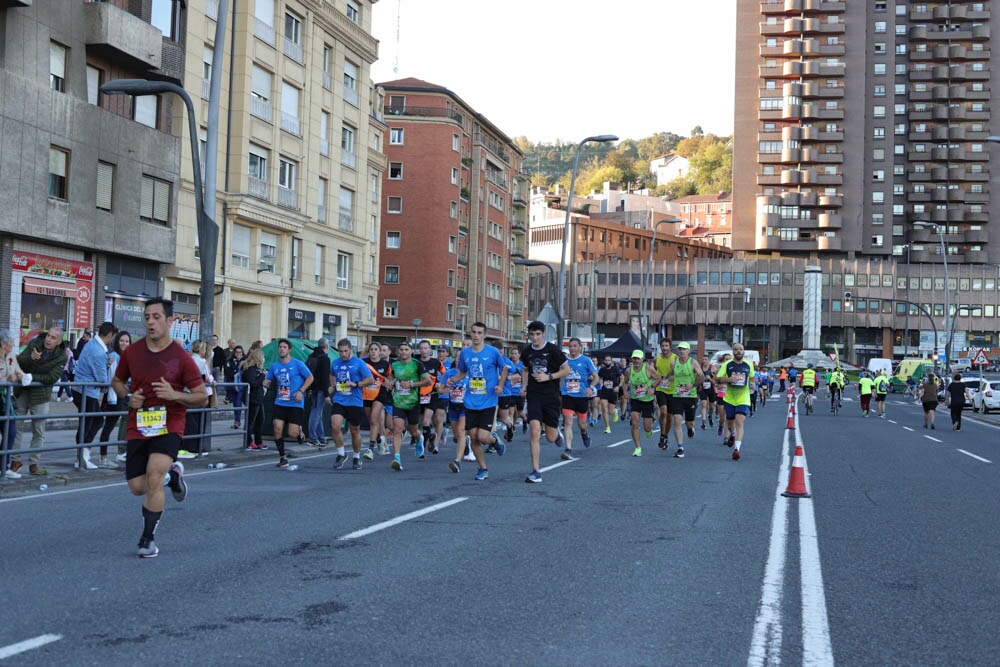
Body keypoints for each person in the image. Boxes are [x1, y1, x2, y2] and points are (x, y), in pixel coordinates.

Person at [111, 297, 207, 558]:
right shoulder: (132, 352)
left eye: (156, 317)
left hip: (170, 423)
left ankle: (147, 540)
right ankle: (173, 475)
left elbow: (201, 396)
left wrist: (174, 395)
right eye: (147, 317)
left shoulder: (181, 357)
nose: (150, 322)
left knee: (153, 477)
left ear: (169, 321)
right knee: (137, 487)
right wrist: (128, 397)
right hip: (139, 424)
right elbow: (117, 381)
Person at [446, 322, 508, 480]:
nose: (476, 335)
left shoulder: (492, 352)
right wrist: (453, 379)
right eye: (473, 332)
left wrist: (500, 386)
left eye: (479, 333)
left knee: (482, 437)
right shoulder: (466, 353)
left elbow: (505, 368)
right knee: (473, 436)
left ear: (484, 335)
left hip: (488, 401)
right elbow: (462, 372)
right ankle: (483, 468)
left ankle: (494, 440)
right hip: (470, 401)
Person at [9, 327, 67, 476]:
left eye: (53, 338)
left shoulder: (61, 356)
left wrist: (30, 378)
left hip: (41, 396)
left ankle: (34, 463)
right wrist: (31, 358)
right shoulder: (35, 343)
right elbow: (20, 362)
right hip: (23, 392)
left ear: (59, 341)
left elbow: (52, 378)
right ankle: (15, 461)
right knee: (16, 427)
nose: (48, 339)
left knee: (39, 430)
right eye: (48, 335)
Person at [520, 320, 570, 483]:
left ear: (543, 334)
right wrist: (524, 386)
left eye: (538, 334)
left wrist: (548, 376)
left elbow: (566, 370)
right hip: (534, 395)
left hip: (551, 396)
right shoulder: (527, 351)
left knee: (550, 437)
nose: (535, 338)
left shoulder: (553, 350)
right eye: (532, 335)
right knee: (534, 431)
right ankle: (536, 471)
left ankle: (556, 433)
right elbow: (526, 369)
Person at [72, 321, 119, 470]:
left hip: (82, 389)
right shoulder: (99, 351)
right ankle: (82, 456)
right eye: (113, 338)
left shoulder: (93, 345)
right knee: (90, 422)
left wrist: (106, 363)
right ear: (110, 335)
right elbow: (102, 379)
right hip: (87, 391)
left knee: (95, 420)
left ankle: (83, 454)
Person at [264, 339, 313, 468]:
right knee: (277, 427)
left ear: (289, 350)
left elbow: (310, 377)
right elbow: (268, 380)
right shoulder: (275, 366)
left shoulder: (298, 364)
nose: (281, 349)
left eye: (284, 347)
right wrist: (265, 382)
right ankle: (283, 457)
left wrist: (301, 391)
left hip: (295, 403)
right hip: (280, 401)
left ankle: (299, 432)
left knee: (292, 433)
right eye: (280, 347)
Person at [329, 338, 374, 470]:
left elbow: (370, 380)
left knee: (355, 431)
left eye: (345, 351)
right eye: (341, 351)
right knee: (335, 426)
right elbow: (332, 375)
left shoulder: (358, 363)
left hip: (354, 401)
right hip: (339, 399)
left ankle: (356, 456)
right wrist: (332, 386)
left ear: (350, 350)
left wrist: (356, 384)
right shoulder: (335, 363)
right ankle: (341, 454)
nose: (343, 354)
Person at [389, 341, 431, 471]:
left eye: (406, 349)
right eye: (401, 349)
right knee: (397, 429)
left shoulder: (417, 364)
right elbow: (390, 377)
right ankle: (397, 458)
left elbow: (428, 381)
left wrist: (411, 384)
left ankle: (419, 438)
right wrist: (389, 382)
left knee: (413, 430)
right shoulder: (394, 365)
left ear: (411, 351)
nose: (403, 352)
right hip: (398, 402)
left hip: (413, 402)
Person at [663, 341, 705, 458]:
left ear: (688, 351)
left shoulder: (693, 362)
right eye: (680, 349)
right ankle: (680, 448)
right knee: (677, 420)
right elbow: (671, 375)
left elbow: (702, 377)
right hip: (677, 396)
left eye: (684, 349)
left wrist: (693, 384)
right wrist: (667, 379)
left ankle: (690, 429)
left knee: (689, 422)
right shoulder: (673, 363)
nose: (681, 351)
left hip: (690, 396)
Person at [558, 337, 598, 459]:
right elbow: (560, 377)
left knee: (582, 424)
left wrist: (590, 387)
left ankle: (584, 433)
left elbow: (596, 377)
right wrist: (558, 390)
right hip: (567, 395)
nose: (572, 349)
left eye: (575, 346)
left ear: (580, 347)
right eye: (570, 346)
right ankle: (568, 449)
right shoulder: (564, 361)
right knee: (568, 421)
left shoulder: (586, 360)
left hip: (581, 396)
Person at [98, 331, 131, 467]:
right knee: (107, 425)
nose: (124, 343)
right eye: (122, 341)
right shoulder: (114, 356)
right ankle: (104, 457)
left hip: (123, 395)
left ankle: (116, 452)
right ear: (117, 342)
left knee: (121, 421)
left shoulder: (127, 357)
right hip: (112, 396)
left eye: (127, 341)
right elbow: (108, 376)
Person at [717, 343, 754, 460]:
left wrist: (752, 384)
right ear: (733, 352)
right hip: (729, 398)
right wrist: (728, 379)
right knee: (730, 424)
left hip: (743, 398)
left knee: (739, 421)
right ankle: (732, 434)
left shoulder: (748, 365)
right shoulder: (727, 365)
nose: (738, 351)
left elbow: (752, 377)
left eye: (741, 349)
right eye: (736, 349)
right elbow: (716, 379)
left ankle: (736, 449)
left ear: (744, 352)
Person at [624, 349, 660, 458]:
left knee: (647, 427)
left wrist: (652, 387)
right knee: (634, 423)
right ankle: (637, 448)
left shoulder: (648, 369)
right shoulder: (629, 371)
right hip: (635, 399)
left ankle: (649, 430)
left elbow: (658, 378)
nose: (635, 360)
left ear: (642, 359)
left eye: (638, 358)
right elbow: (624, 383)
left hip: (647, 400)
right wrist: (625, 392)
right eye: (634, 358)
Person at [362, 342, 392, 458]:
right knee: (372, 421)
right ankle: (379, 438)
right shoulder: (364, 363)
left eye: (376, 349)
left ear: (380, 352)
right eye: (371, 349)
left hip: (380, 394)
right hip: (366, 394)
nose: (373, 351)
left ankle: (370, 449)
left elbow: (389, 376)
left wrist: (388, 382)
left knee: (375, 418)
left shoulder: (385, 364)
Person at [1, 330, 24, 478]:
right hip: (1, 395)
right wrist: (7, 380)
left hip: (6, 400)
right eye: (10, 343)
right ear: (3, 344)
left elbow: (18, 372)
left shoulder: (10, 356)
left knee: (11, 432)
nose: (13, 345)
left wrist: (20, 375)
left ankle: (4, 466)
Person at [417, 340, 446, 454]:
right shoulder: (416, 362)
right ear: (419, 350)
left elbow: (444, 373)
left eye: (426, 348)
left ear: (430, 350)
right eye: (422, 348)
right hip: (419, 394)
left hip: (432, 394)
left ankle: (423, 447)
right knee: (420, 422)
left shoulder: (436, 362)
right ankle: (430, 438)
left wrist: (440, 383)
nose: (424, 350)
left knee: (426, 420)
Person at [438, 361, 469, 471]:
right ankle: (465, 444)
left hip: (466, 406)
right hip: (453, 405)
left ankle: (457, 461)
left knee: (461, 432)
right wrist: (444, 390)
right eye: (458, 357)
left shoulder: (469, 372)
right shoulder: (449, 373)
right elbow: (440, 389)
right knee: (456, 435)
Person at [305, 338, 332, 447]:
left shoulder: (311, 356)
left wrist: (307, 388)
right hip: (321, 389)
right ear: (327, 346)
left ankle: (321, 437)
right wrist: (327, 394)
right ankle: (313, 438)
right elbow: (325, 378)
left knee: (318, 412)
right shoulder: (325, 358)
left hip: (312, 387)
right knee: (316, 413)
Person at [241, 348, 266, 450]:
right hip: (253, 398)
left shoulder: (256, 369)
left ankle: (258, 440)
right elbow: (253, 383)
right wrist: (262, 376)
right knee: (251, 421)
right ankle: (248, 441)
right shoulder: (250, 369)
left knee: (260, 420)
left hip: (258, 398)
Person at [498, 346, 525, 441]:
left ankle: (512, 426)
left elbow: (519, 375)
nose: (499, 355)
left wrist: (506, 378)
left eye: (501, 352)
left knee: (506, 417)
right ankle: (492, 443)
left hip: (506, 392)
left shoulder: (508, 362)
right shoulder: (489, 360)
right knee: (509, 412)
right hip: (491, 394)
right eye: (512, 353)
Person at [653, 339, 676, 451]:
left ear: (670, 347)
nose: (664, 348)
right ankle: (662, 433)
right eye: (663, 346)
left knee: (669, 417)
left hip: (672, 389)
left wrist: (668, 379)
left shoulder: (675, 359)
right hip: (660, 388)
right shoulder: (656, 359)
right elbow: (652, 372)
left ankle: (665, 436)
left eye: (666, 346)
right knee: (663, 411)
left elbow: (678, 374)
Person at [597, 354, 623, 434]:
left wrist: (618, 386)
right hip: (604, 391)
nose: (607, 361)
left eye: (609, 360)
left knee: (610, 412)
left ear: (611, 361)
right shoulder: (602, 370)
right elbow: (599, 378)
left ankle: (615, 412)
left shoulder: (615, 369)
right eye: (606, 360)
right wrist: (600, 383)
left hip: (613, 391)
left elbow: (622, 377)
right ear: (604, 361)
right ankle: (607, 427)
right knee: (604, 409)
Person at [225, 345, 246, 430]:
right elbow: (228, 372)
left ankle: (238, 422)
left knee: (238, 403)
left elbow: (245, 372)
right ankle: (237, 421)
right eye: (237, 352)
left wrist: (235, 372)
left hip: (241, 386)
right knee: (236, 404)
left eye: (240, 352)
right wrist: (236, 372)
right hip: (233, 386)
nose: (238, 354)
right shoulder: (229, 361)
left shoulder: (245, 361)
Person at [698, 354, 715, 430]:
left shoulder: (713, 368)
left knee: (711, 407)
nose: (704, 361)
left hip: (711, 389)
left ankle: (710, 416)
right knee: (704, 404)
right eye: (703, 359)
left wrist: (710, 379)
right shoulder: (699, 368)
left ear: (709, 361)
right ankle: (703, 422)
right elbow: (696, 378)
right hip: (702, 388)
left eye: (706, 359)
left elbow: (716, 381)